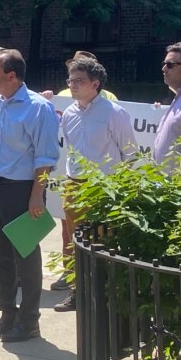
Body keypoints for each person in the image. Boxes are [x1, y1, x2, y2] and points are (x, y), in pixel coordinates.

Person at [0, 49, 60, 343]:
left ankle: (29, 322)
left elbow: (45, 157)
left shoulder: (39, 108)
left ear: (12, 76)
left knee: (25, 259)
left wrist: (36, 195)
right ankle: (6, 315)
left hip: (22, 190)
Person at [53, 57, 137, 312]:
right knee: (72, 241)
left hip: (104, 188)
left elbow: (130, 154)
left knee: (103, 243)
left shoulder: (114, 112)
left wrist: (123, 190)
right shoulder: (68, 113)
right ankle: (76, 292)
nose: (73, 85)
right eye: (70, 80)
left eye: (79, 80)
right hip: (74, 185)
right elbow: (71, 149)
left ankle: (103, 295)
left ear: (96, 83)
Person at [41, 51, 118, 101]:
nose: (72, 85)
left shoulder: (110, 98)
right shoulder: (63, 95)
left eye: (79, 80)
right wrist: (46, 102)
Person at [153, 42, 181, 170]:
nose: (164, 69)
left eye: (170, 65)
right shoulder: (177, 99)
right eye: (164, 64)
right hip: (164, 184)